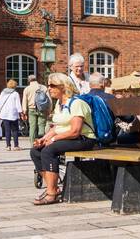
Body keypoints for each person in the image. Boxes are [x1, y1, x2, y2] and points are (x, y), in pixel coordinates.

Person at [29, 73, 96, 205]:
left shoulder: (77, 103)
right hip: (69, 137)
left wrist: (53, 140)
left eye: (52, 85)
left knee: (49, 150)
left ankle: (52, 193)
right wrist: (44, 138)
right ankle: (52, 188)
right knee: (35, 151)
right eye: (48, 85)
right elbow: (58, 127)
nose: (49, 88)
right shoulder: (60, 103)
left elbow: (75, 131)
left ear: (63, 87)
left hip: (84, 139)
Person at [21, 74, 51, 143]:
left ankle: (33, 145)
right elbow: (49, 100)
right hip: (42, 109)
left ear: (29, 80)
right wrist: (49, 110)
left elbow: (24, 101)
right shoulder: (43, 87)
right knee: (42, 126)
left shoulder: (27, 89)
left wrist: (24, 112)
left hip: (31, 109)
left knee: (32, 127)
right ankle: (42, 143)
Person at [0, 79, 22, 150]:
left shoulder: (3, 92)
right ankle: (16, 146)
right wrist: (20, 112)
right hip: (13, 114)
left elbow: (0, 103)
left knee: (7, 130)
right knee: (15, 130)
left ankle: (8, 146)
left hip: (5, 114)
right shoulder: (15, 94)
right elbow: (18, 104)